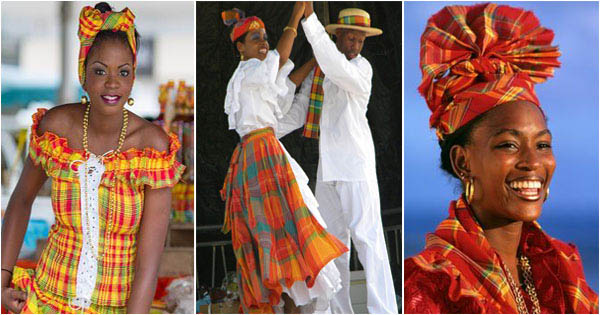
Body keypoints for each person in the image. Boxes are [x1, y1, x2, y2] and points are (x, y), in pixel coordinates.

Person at [404, 3, 598, 313]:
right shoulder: (429, 284)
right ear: (463, 163)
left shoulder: (562, 267)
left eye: (543, 145)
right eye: (508, 145)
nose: (533, 162)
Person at [1, 2, 185, 313]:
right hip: (46, 300)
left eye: (123, 72)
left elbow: (149, 260)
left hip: (118, 307)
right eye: (100, 70)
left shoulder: (152, 147)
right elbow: (20, 201)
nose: (112, 83)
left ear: (133, 77)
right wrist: (2, 282)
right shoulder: (55, 128)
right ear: (83, 74)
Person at [220, 3, 348, 313]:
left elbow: (286, 82)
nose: (263, 42)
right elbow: (282, 59)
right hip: (261, 156)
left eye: (265, 36)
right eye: (255, 38)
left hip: (263, 153)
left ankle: (291, 301)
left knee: (283, 229)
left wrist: (317, 62)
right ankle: (287, 300)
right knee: (280, 228)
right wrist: (296, 15)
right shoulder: (248, 71)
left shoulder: (259, 76)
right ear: (240, 47)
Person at [285, 2, 398, 313]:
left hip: (355, 165)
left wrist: (310, 21)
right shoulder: (321, 71)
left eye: (360, 40)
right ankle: (337, 311)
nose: (356, 45)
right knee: (333, 247)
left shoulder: (361, 69)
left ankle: (383, 310)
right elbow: (297, 113)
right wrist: (259, 129)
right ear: (338, 37)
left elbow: (336, 66)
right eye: (351, 38)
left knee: (368, 242)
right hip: (328, 171)